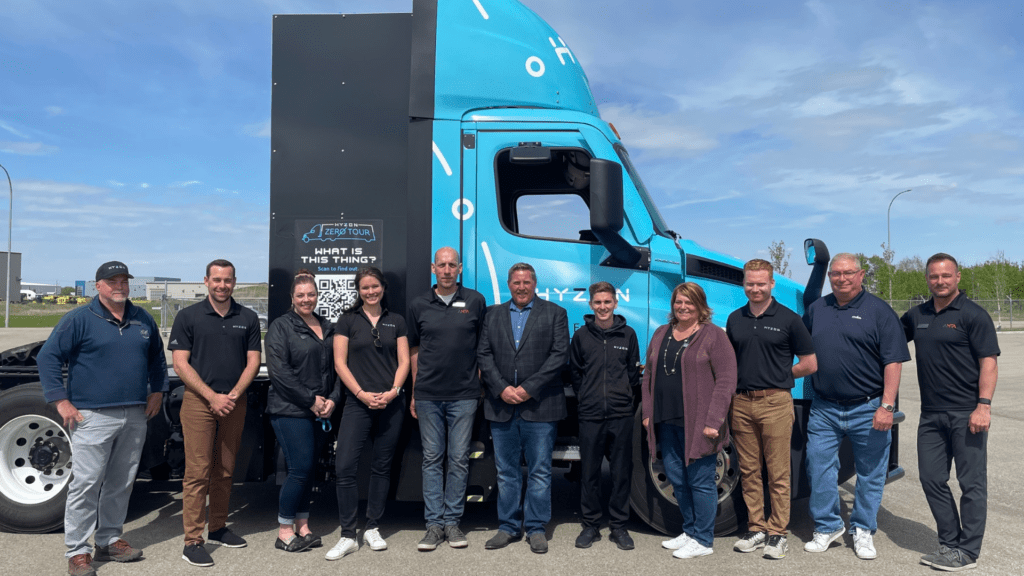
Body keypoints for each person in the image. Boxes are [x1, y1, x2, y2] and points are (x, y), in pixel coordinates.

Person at [38, 261, 168, 576]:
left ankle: (109, 540)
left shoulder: (142, 318)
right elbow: (48, 357)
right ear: (99, 286)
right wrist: (60, 400)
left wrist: (157, 392)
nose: (119, 286)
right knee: (86, 483)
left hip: (135, 413)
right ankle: (78, 552)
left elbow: (157, 358)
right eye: (112, 281)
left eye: (124, 281)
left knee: (121, 482)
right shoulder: (79, 319)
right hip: (92, 416)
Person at [802, 253, 910, 559]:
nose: (841, 278)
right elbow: (798, 346)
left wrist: (887, 406)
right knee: (818, 466)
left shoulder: (879, 311)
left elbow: (893, 361)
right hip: (824, 407)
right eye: (835, 274)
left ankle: (863, 529)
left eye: (848, 273)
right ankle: (826, 526)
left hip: (868, 407)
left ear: (861, 275)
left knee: (871, 473)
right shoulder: (817, 309)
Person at [901, 253, 999, 572]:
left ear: (958, 276)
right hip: (931, 415)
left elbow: (989, 363)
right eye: (933, 276)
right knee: (931, 478)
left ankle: (967, 552)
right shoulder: (917, 315)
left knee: (971, 483)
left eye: (946, 275)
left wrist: (983, 406)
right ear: (927, 279)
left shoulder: (973, 315)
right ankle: (949, 542)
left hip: (967, 413)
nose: (939, 281)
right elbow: (886, 341)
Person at [169, 259, 263, 567]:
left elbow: (253, 362)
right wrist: (212, 396)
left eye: (228, 280)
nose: (222, 285)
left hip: (233, 402)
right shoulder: (189, 316)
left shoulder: (247, 317)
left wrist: (232, 395)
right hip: (199, 402)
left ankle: (218, 528)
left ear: (235, 282)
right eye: (217, 280)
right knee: (197, 472)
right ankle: (192, 541)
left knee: (225, 469)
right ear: (206, 281)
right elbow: (181, 364)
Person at [726, 259, 817, 560]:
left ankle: (777, 534)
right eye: (750, 283)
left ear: (772, 283)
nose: (755, 289)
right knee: (750, 470)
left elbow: (810, 363)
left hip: (776, 403)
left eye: (761, 283)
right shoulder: (734, 319)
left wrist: (782, 377)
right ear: (744, 284)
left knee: (778, 472)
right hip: (741, 403)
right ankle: (756, 527)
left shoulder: (790, 319)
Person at [478, 263, 569, 554]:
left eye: (526, 282)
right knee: (506, 472)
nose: (521, 287)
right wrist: (501, 387)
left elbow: (559, 356)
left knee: (540, 471)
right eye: (516, 282)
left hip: (540, 405)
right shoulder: (492, 315)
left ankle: (536, 528)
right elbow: (484, 354)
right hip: (501, 404)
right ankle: (507, 527)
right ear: (508, 284)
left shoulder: (555, 313)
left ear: (535, 284)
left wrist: (528, 388)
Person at [641, 282, 737, 560]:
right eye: (678, 302)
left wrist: (714, 420)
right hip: (666, 419)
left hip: (699, 423)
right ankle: (690, 530)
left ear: (700, 306)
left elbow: (727, 380)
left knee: (700, 481)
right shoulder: (661, 333)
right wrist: (648, 413)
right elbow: (648, 376)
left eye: (689, 302)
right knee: (677, 479)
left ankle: (704, 539)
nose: (683, 307)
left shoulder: (713, 336)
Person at [407, 248, 487, 551]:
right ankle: (433, 526)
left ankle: (452, 523)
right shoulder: (418, 305)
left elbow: (483, 347)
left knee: (457, 460)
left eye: (452, 265)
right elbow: (414, 350)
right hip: (428, 395)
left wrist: (476, 384)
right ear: (432, 268)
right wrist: (415, 391)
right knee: (431, 459)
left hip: (464, 397)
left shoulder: (476, 302)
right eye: (441, 265)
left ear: (460, 268)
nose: (447, 270)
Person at [327, 267, 410, 560]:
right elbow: (340, 363)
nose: (371, 292)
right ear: (358, 290)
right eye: (365, 288)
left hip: (391, 404)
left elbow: (404, 362)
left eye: (375, 286)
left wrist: (394, 391)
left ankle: (372, 527)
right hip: (357, 404)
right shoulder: (347, 320)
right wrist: (361, 394)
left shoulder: (396, 321)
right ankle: (348, 534)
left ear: (383, 288)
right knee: (345, 466)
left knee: (381, 466)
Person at [264, 270, 341, 553]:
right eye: (301, 295)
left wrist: (332, 399)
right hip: (290, 411)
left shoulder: (327, 326)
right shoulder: (281, 327)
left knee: (310, 472)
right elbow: (280, 373)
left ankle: (303, 526)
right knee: (299, 469)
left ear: (317, 296)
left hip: (320, 411)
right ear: (292, 298)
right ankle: (284, 531)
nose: (306, 299)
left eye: (311, 294)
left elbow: (336, 369)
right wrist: (312, 401)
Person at [570, 282, 640, 551]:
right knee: (589, 472)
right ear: (590, 305)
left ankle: (619, 527)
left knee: (621, 472)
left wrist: (622, 397)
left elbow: (633, 375)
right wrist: (587, 397)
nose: (602, 307)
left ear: (615, 303)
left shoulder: (628, 335)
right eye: (597, 302)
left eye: (607, 302)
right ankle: (590, 526)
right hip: (590, 414)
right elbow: (576, 373)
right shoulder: (581, 337)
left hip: (621, 414)